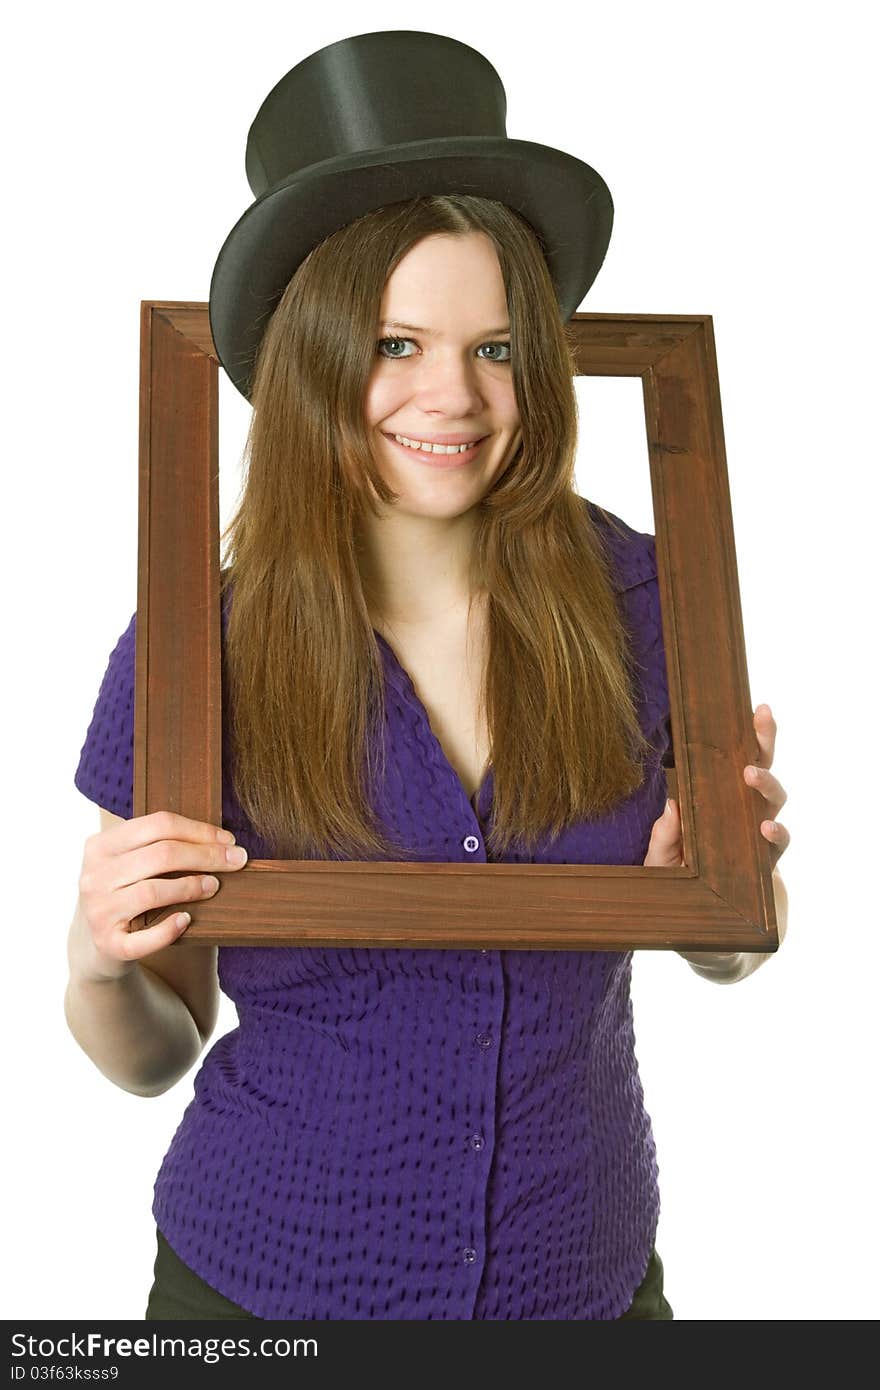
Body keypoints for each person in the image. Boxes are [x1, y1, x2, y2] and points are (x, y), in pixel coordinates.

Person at [65, 31, 789, 1321]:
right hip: (260, 1294)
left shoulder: (654, 602)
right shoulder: (198, 647)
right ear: (315, 363)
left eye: (499, 348)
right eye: (397, 344)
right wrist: (100, 960)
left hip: (585, 1282)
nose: (452, 396)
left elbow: (731, 952)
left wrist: (726, 903)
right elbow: (152, 1058)